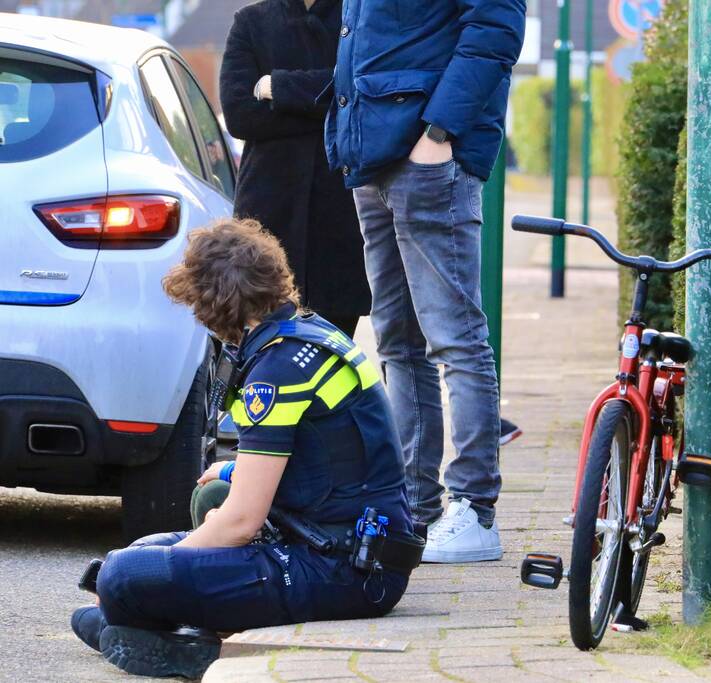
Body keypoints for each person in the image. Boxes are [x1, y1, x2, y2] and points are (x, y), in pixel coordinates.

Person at [69, 219, 422, 679]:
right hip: (355, 551)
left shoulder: (276, 369)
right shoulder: (306, 334)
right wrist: (232, 477)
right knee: (142, 552)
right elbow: (325, 463)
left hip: (342, 569)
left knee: (125, 575)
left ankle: (161, 634)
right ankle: (145, 626)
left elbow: (240, 522)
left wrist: (147, 571)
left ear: (214, 303)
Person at [324, 0, 527, 564]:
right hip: (374, 156)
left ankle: (474, 510)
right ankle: (414, 507)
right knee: (396, 342)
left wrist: (439, 132)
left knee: (455, 338)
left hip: (429, 156)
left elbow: (495, 30)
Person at [220, 0, 367, 340]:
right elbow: (239, 115)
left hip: (341, 213)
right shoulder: (250, 22)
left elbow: (363, 92)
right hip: (269, 210)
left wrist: (280, 87)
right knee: (261, 342)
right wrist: (330, 108)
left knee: (333, 348)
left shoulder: (358, 17)